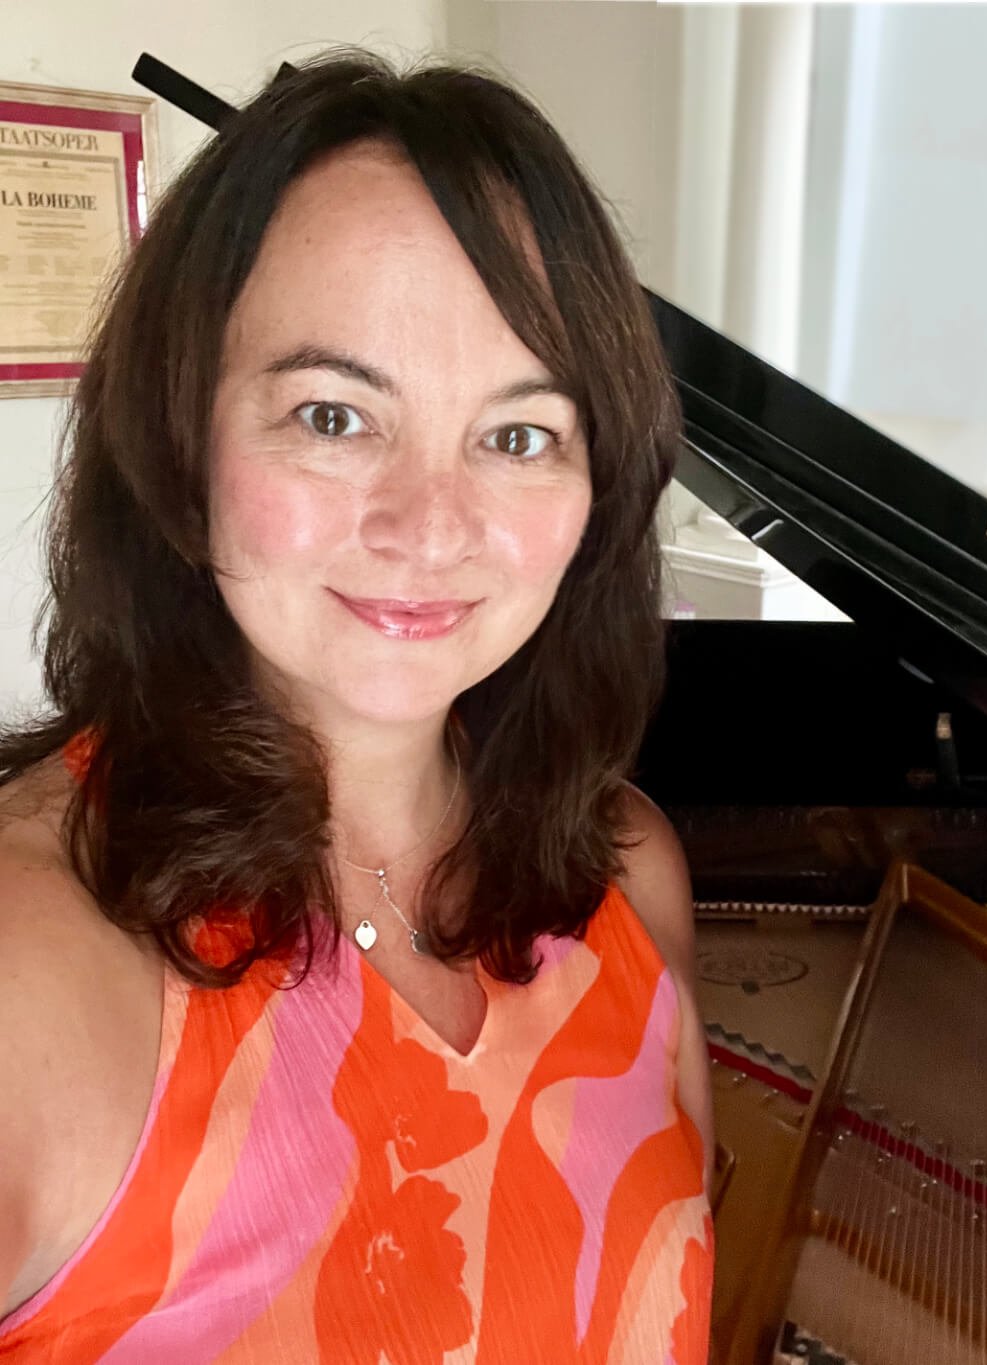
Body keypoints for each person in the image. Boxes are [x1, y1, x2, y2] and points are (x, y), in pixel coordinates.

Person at [0, 50, 714, 1363]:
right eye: (333, 414)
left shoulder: (630, 877)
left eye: (518, 435)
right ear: (180, 440)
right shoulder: (28, 968)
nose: (430, 525)